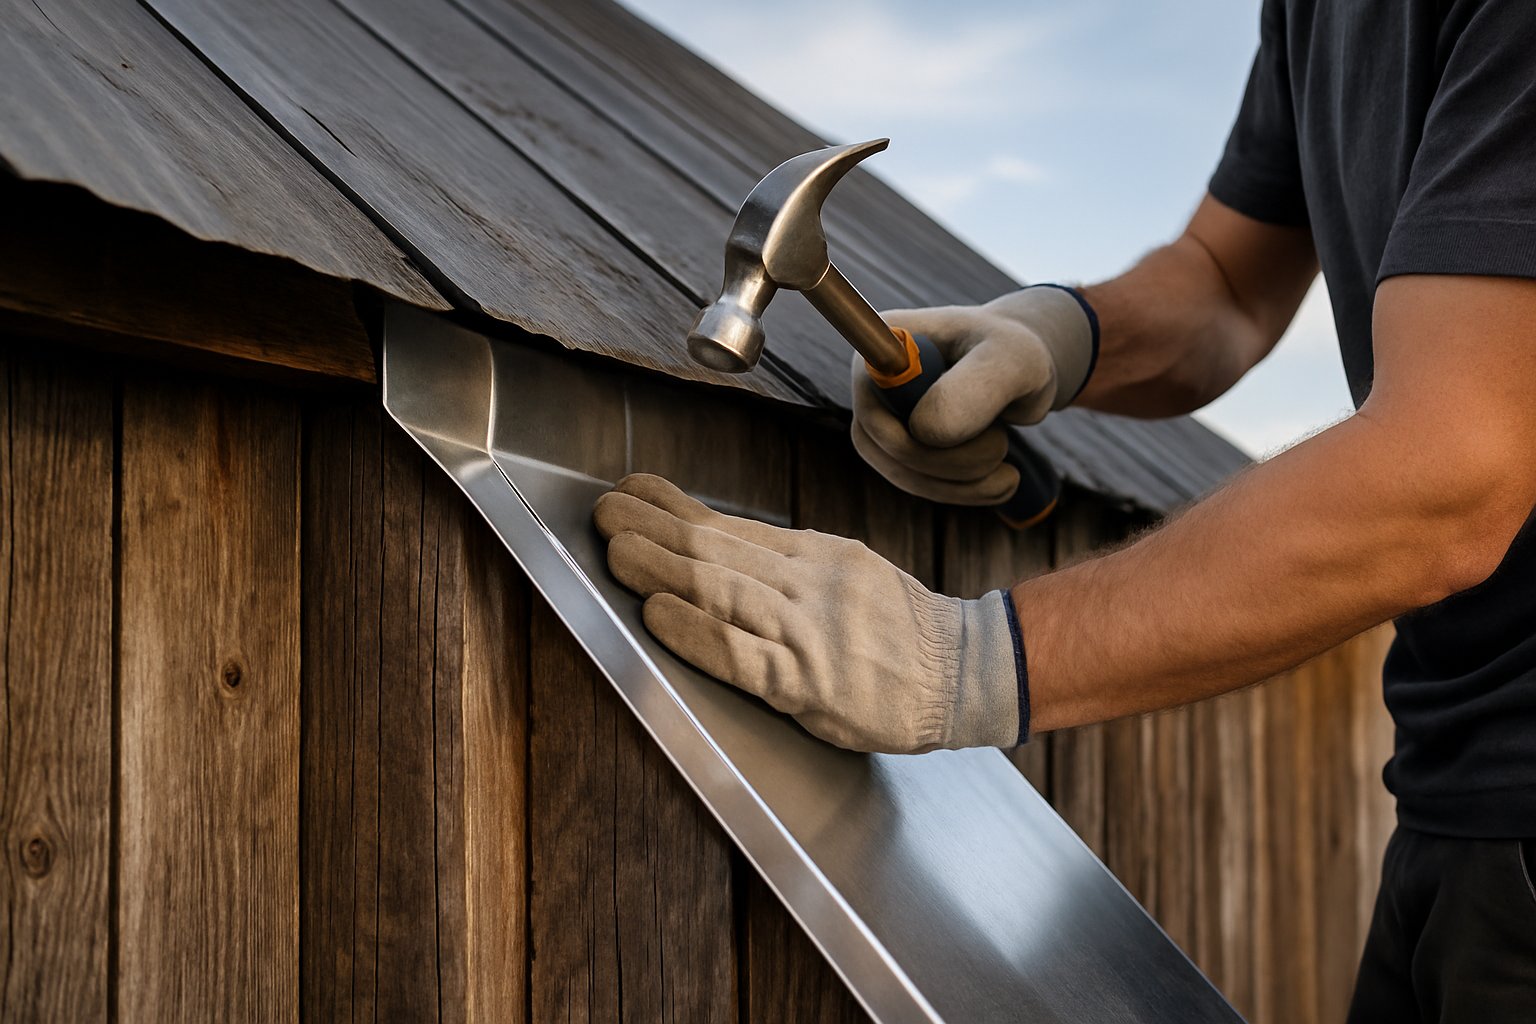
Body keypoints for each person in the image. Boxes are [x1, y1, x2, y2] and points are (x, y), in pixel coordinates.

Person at [592, 1, 1536, 1018]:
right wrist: (1059, 337)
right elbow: (1227, 284)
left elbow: (1455, 470)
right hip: (1453, 805)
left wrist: (964, 662)